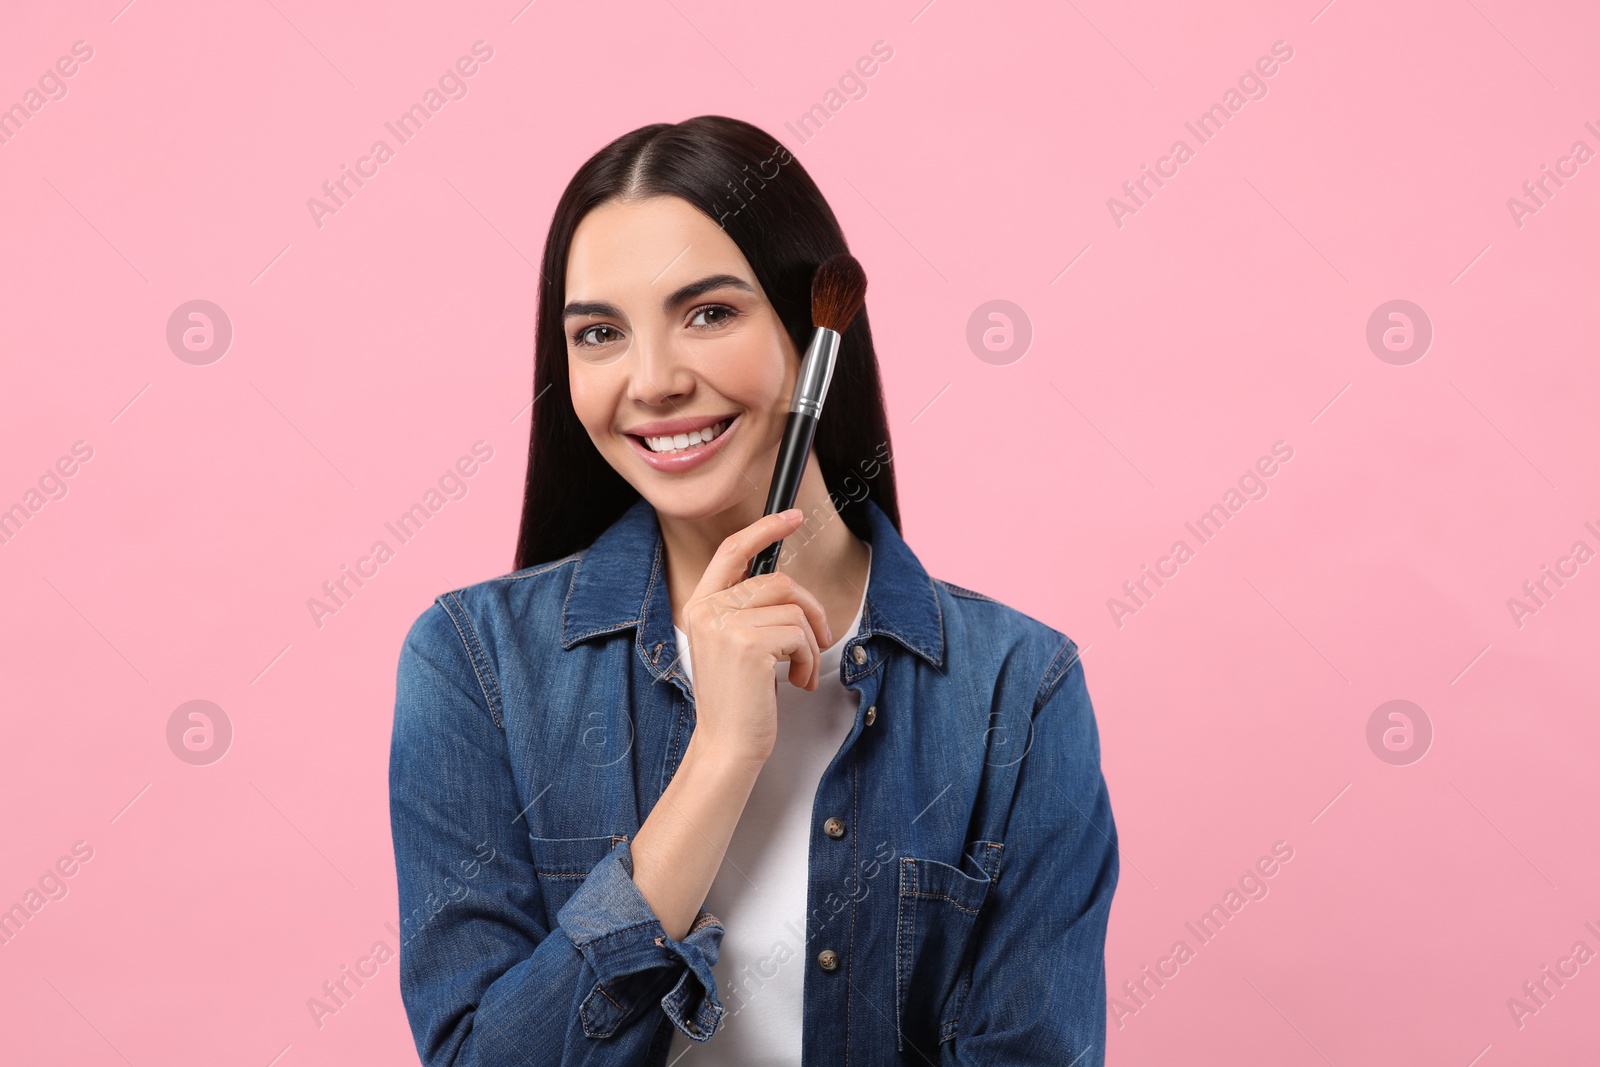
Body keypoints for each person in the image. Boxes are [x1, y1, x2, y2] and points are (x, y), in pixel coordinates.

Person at [389, 114, 1118, 1066]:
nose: (651, 381)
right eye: (601, 333)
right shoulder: (474, 666)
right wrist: (721, 756)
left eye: (708, 313)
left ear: (815, 332)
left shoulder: (1016, 689)